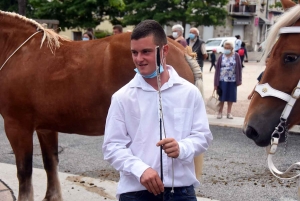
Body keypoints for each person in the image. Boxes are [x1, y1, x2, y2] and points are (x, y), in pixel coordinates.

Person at [102, 19, 213, 201]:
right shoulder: (122, 97)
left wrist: (182, 148)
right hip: (136, 192)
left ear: (164, 50)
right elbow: (112, 147)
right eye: (134, 52)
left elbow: (203, 136)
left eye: (146, 52)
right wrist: (141, 170)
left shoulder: (189, 92)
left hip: (181, 193)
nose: (139, 59)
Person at [214, 41, 242, 119]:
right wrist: (216, 83)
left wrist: (239, 80)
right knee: (221, 97)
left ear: (232, 48)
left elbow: (239, 68)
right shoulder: (221, 56)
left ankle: (229, 113)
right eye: (225, 48)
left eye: (228, 48)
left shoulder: (236, 56)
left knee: (231, 97)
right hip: (222, 80)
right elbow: (217, 70)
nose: (226, 49)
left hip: (232, 80)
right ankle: (220, 112)